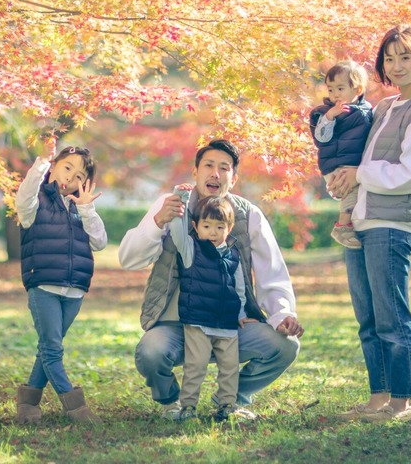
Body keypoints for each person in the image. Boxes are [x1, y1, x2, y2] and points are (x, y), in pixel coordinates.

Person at [119, 138, 303, 421]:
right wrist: (157, 222)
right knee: (151, 353)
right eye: (208, 165)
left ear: (234, 178)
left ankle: (232, 400)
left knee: (286, 344)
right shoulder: (170, 205)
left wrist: (282, 313)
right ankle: (173, 402)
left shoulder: (248, 215)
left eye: (224, 168)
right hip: (178, 326)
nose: (215, 173)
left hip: (230, 324)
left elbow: (272, 272)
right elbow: (129, 259)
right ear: (195, 172)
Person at [327, 25, 411, 423]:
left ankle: (402, 404)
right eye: (389, 59)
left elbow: (410, 173)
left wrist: (359, 173)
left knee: (392, 314)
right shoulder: (383, 107)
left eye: (404, 57)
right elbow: (357, 159)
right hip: (361, 219)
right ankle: (378, 398)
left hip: (392, 224)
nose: (396, 66)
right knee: (369, 317)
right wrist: (343, 177)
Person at [14, 144, 106, 424]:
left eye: (79, 176)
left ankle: (28, 404)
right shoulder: (36, 201)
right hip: (44, 287)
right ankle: (76, 409)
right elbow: (23, 198)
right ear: (54, 166)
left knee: (47, 348)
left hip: (75, 290)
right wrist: (41, 161)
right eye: (67, 168)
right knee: (53, 350)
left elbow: (100, 242)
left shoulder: (82, 208)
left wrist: (87, 208)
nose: (71, 178)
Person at [165, 195, 250, 422]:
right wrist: (180, 197)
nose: (213, 232)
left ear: (229, 228)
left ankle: (227, 405)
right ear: (196, 227)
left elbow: (239, 288)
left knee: (230, 367)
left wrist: (241, 314)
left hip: (227, 323)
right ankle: (188, 407)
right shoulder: (191, 249)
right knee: (196, 366)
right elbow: (177, 229)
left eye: (219, 227)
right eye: (206, 226)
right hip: (198, 321)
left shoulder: (233, 255)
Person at [308, 60, 374, 249]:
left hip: (351, 162)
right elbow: (321, 138)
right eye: (330, 89)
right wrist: (330, 117)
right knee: (351, 191)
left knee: (359, 190)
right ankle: (342, 226)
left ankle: (349, 223)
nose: (334, 94)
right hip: (337, 163)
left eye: (340, 88)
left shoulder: (366, 110)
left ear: (358, 90)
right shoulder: (327, 113)